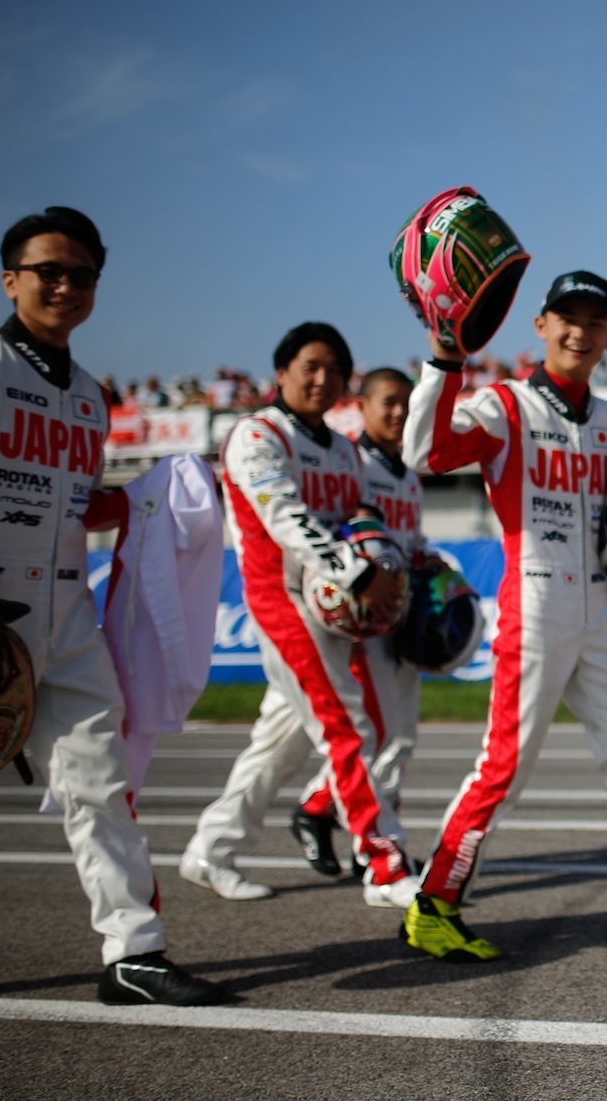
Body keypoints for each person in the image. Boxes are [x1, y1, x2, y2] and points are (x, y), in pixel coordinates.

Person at [400, 270, 607, 960]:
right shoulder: (505, 405)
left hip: (596, 605)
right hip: (535, 600)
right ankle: (434, 903)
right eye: (566, 317)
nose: (579, 330)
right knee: (505, 767)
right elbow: (422, 452)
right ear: (541, 325)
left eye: (594, 320)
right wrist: (444, 361)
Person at [0, 207, 226, 1004]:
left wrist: (157, 495)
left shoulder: (90, 395)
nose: (63, 285)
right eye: (47, 270)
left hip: (66, 608)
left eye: (81, 274)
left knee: (101, 779)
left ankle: (134, 954)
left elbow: (77, 504)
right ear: (9, 278)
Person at [182, 368, 430, 896]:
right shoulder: (349, 460)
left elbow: (400, 541)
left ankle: (212, 848)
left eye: (407, 405)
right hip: (328, 616)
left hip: (352, 621)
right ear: (359, 405)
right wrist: (363, 572)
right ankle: (379, 859)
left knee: (280, 747)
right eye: (388, 402)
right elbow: (333, 529)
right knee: (370, 734)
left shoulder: (404, 472)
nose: (398, 414)